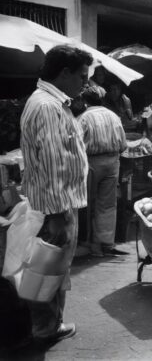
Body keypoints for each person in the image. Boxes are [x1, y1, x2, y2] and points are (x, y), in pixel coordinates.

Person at [20, 45, 92, 344]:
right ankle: (46, 329)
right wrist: (60, 214)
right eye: (82, 77)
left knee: (50, 269)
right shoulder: (48, 106)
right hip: (55, 207)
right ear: (64, 73)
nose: (84, 84)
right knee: (48, 270)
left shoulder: (50, 102)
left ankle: (47, 326)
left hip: (54, 204)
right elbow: (54, 164)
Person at [78, 86, 128, 257]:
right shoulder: (113, 116)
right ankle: (107, 243)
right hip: (113, 162)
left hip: (91, 161)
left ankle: (92, 245)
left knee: (89, 203)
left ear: (85, 101)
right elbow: (123, 144)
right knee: (107, 204)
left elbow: (78, 146)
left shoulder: (83, 118)